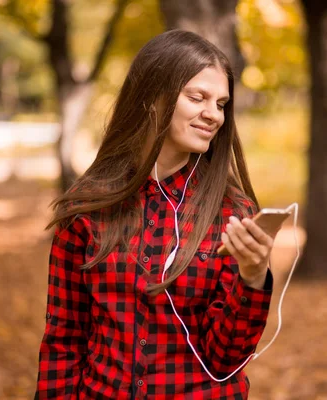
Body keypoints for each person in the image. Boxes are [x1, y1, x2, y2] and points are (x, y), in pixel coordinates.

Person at [35, 29, 280, 400]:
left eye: (221, 103)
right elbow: (64, 341)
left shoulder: (233, 214)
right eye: (197, 97)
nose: (213, 114)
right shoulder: (87, 209)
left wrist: (253, 277)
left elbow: (225, 359)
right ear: (153, 97)